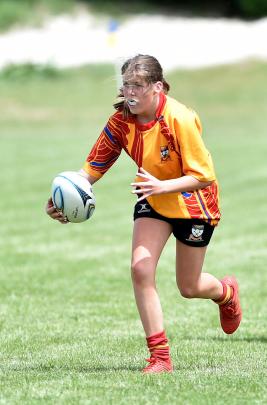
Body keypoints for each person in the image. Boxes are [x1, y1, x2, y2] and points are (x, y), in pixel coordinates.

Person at [46, 54, 242, 374]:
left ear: (158, 87)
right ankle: (160, 358)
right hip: (152, 197)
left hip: (195, 202)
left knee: (189, 287)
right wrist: (60, 197)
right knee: (140, 269)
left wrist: (163, 186)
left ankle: (226, 293)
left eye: (138, 86)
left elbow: (203, 175)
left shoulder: (179, 118)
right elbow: (90, 170)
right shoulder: (120, 123)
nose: (131, 93)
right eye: (126, 85)